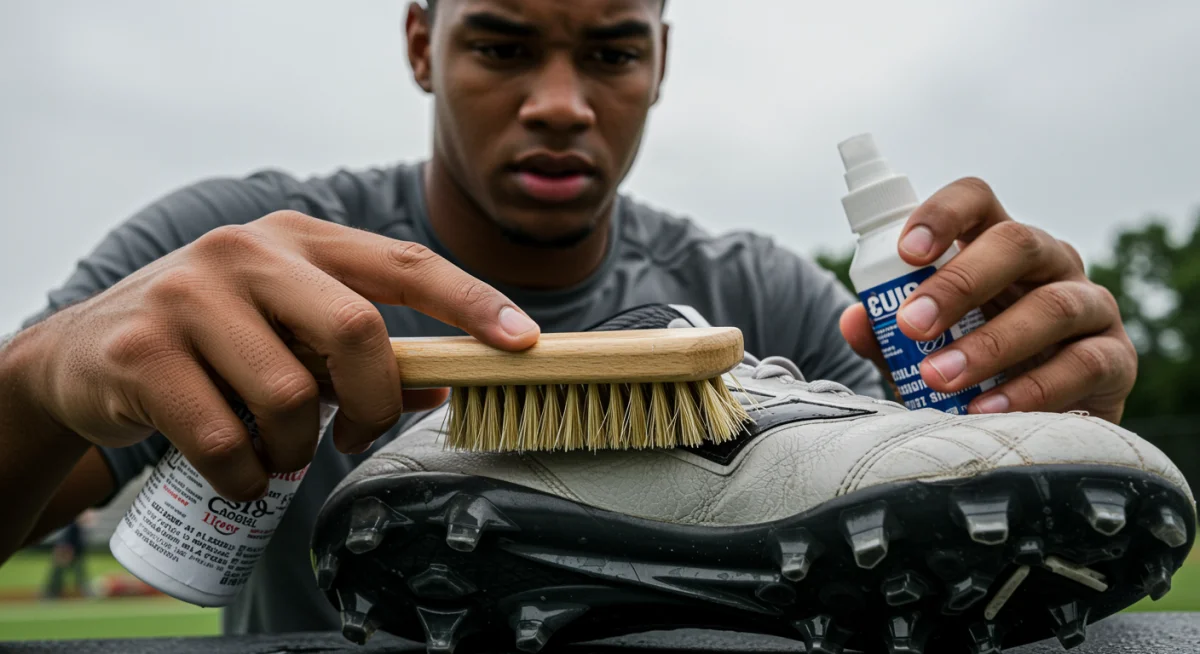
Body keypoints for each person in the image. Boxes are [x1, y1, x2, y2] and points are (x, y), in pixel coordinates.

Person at [0, 0, 1136, 635]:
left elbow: (956, 509)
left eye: (610, 51)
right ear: (418, 42)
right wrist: (40, 376)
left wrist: (1034, 395)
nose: (559, 100)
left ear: (660, 60)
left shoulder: (766, 299)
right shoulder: (237, 247)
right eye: (500, 45)